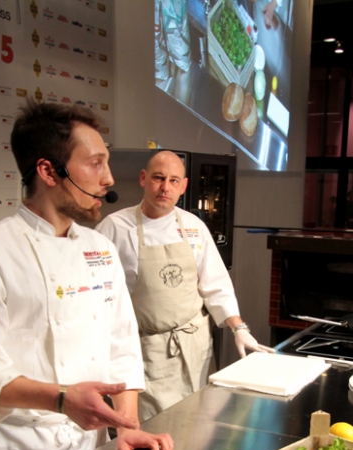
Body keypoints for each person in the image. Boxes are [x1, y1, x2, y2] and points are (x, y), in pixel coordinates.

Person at [0, 103, 174, 450]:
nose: (107, 179)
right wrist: (62, 399)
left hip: (89, 448)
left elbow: (121, 345)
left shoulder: (100, 249)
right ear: (49, 172)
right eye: (95, 164)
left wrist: (127, 426)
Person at [97, 151, 273, 421]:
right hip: (148, 352)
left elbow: (216, 285)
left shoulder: (194, 227)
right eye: (158, 178)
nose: (165, 187)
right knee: (154, 430)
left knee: (199, 422)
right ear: (143, 179)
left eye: (173, 180)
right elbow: (99, 296)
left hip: (195, 346)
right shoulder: (115, 228)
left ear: (184, 186)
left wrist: (239, 328)